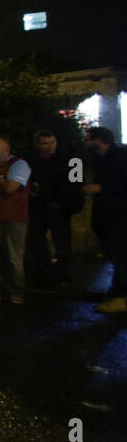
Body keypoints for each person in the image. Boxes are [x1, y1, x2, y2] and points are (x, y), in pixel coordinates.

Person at [26, 129, 81, 287]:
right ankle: (43, 273)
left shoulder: (68, 160)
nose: (49, 146)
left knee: (62, 243)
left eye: (52, 142)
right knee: (37, 241)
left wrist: (64, 202)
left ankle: (63, 275)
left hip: (60, 208)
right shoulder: (32, 162)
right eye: (45, 143)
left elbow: (75, 184)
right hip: (38, 207)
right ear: (37, 145)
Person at [83, 127, 127, 311]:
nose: (85, 142)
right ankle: (117, 291)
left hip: (121, 213)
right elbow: (75, 172)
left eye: (88, 139)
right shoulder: (92, 157)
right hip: (104, 213)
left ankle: (121, 296)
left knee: (121, 254)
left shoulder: (121, 156)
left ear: (98, 140)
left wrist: (101, 187)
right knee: (114, 253)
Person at [0, 134, 30, 304]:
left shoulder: (19, 164)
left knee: (13, 256)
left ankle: (16, 291)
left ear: (6, 149)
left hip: (13, 217)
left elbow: (10, 188)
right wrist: (1, 180)